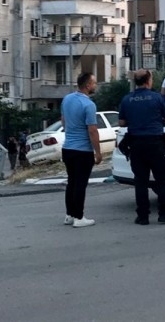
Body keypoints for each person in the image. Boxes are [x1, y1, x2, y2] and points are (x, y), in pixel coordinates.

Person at [119, 69, 165, 225]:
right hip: (155, 143)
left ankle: (142, 216)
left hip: (136, 145)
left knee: (140, 181)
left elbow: (121, 123)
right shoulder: (157, 98)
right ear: (148, 81)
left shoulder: (127, 100)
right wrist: (156, 122)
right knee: (163, 179)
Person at [60, 72, 102, 228]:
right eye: (94, 83)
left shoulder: (67, 99)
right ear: (87, 85)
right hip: (82, 150)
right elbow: (92, 130)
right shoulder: (89, 105)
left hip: (68, 148)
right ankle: (79, 217)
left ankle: (69, 214)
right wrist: (97, 152)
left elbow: (64, 121)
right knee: (80, 184)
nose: (95, 85)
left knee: (72, 182)